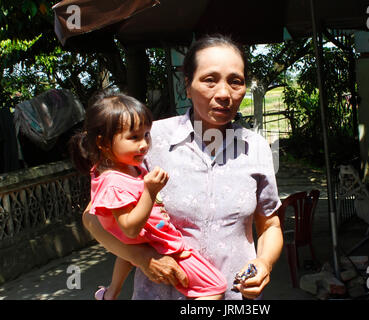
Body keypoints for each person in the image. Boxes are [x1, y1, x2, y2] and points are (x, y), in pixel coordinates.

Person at [82, 34, 284, 300]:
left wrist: (264, 263)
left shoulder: (255, 147)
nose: (224, 94)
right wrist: (142, 257)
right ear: (187, 86)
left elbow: (270, 225)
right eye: (210, 80)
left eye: (235, 81)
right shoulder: (147, 141)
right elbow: (93, 218)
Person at [70, 92, 227, 300]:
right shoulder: (113, 182)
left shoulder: (126, 166)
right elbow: (130, 229)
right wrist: (149, 192)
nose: (144, 144)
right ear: (103, 143)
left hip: (143, 240)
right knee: (215, 286)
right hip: (158, 242)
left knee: (125, 256)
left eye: (146, 135)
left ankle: (109, 294)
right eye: (133, 137)